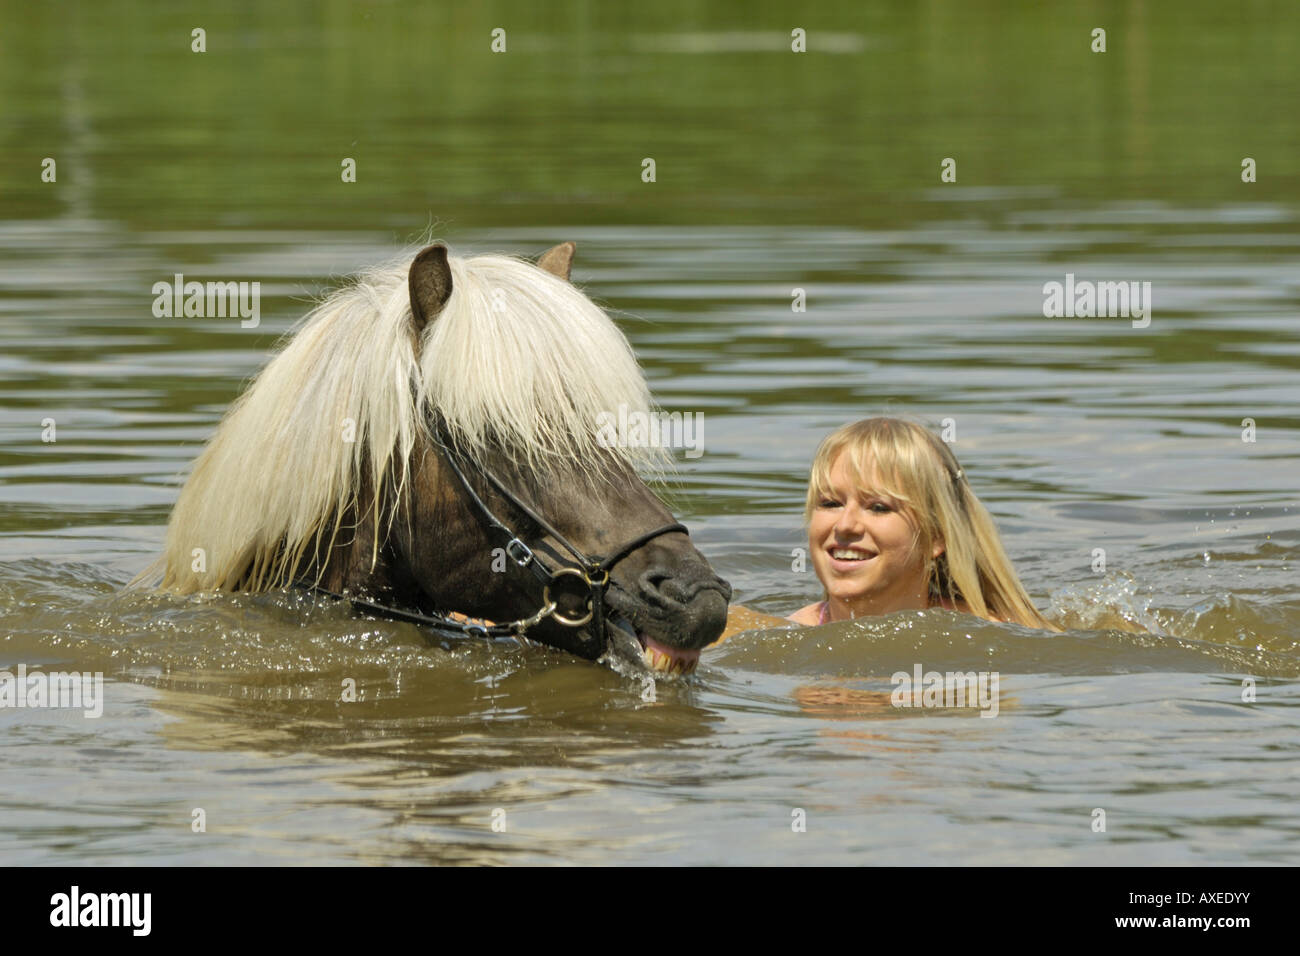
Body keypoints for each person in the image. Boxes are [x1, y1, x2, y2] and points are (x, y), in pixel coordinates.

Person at [783, 417, 1055, 630]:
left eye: (878, 507)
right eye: (831, 504)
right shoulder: (787, 636)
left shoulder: (988, 635)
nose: (845, 525)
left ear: (936, 536)